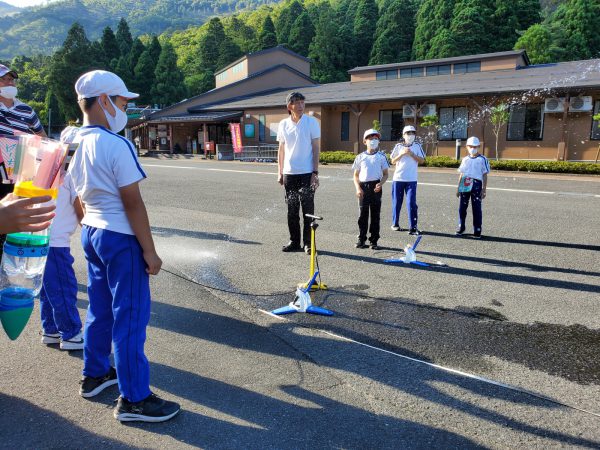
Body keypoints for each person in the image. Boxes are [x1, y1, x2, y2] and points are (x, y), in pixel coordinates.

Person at [69, 70, 180, 422]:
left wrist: (89, 225)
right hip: (120, 237)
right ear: (103, 100)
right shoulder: (117, 144)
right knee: (130, 317)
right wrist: (149, 251)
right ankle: (134, 399)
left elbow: (76, 197)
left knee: (100, 308)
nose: (125, 109)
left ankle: (95, 374)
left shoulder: (76, 143)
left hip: (92, 232)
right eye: (121, 101)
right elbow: (132, 202)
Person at [39, 128, 85, 351]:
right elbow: (82, 211)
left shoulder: (49, 172)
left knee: (49, 289)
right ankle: (71, 333)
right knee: (64, 288)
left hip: (41, 240)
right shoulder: (73, 176)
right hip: (56, 244)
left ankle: (51, 330)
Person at [0, 63, 47, 259]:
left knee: (17, 225)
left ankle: (11, 263)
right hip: (0, 173)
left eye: (11, 79)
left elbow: (42, 138)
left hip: (21, 175)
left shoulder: (26, 110)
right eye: (4, 79)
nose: (9, 83)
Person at [277, 91, 320, 254]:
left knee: (308, 210)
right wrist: (280, 172)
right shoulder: (283, 124)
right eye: (297, 102)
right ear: (290, 106)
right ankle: (294, 241)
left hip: (307, 172)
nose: (301, 105)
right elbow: (281, 149)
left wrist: (315, 172)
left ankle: (308, 243)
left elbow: (316, 148)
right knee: (292, 210)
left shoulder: (311, 122)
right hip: (289, 173)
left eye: (303, 102)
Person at [352, 129, 389, 250]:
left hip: (375, 187)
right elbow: (356, 175)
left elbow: (385, 174)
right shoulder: (360, 157)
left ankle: (374, 240)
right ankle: (361, 239)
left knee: (375, 215)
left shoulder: (381, 157)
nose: (373, 141)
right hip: (363, 187)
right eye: (370, 138)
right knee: (362, 215)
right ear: (365, 141)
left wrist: (380, 184)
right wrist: (358, 188)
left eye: (376, 139)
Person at [390, 125, 425, 235]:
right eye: (408, 133)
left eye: (413, 133)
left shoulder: (417, 146)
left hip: (411, 179)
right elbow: (392, 161)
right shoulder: (398, 146)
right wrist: (402, 154)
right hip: (398, 179)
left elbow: (422, 160)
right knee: (397, 202)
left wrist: (412, 154)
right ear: (403, 135)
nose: (411, 135)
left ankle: (413, 227)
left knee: (411, 203)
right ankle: (395, 224)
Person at [455, 136, 490, 239]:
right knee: (462, 207)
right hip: (465, 183)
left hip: (477, 184)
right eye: (470, 146)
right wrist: (458, 188)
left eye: (475, 146)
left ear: (479, 146)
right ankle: (461, 227)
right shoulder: (465, 159)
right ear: (467, 146)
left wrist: (484, 189)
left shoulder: (483, 159)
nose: (473, 148)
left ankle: (477, 229)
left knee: (477, 208)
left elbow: (485, 174)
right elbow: (461, 173)